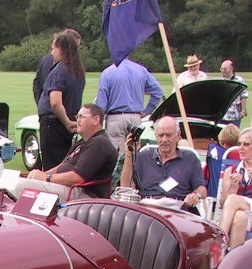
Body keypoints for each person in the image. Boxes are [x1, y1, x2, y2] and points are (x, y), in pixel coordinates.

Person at [23, 104, 116, 200]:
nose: (78, 121)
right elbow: (62, 166)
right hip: (68, 188)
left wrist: (46, 178)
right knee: (18, 181)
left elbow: (78, 177)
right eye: (77, 117)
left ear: (96, 119)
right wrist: (39, 176)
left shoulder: (99, 143)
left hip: (82, 193)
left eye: (82, 117)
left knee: (22, 186)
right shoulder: (84, 141)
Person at [120, 116, 207, 210]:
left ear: (178, 135)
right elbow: (126, 187)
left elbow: (202, 189)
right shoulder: (143, 156)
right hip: (148, 208)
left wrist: (195, 195)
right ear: (156, 136)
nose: (164, 140)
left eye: (168, 135)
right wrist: (129, 153)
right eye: (161, 135)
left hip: (177, 209)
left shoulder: (190, 158)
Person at [94, 57, 163, 156]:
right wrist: (147, 110)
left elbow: (102, 104)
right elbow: (158, 91)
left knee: (117, 157)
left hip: (115, 119)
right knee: (133, 155)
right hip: (135, 118)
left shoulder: (108, 72)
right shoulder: (141, 70)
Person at [37, 30, 85, 171]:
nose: (52, 53)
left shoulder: (59, 70)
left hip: (54, 124)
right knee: (64, 162)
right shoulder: (78, 70)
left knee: (52, 166)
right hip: (67, 120)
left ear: (61, 49)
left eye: (53, 49)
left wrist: (67, 122)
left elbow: (56, 102)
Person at [219, 59, 247, 126]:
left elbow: (244, 96)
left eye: (225, 69)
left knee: (234, 135)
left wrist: (243, 110)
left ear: (231, 68)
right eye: (221, 69)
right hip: (222, 116)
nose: (223, 71)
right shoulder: (219, 81)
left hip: (235, 116)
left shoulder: (239, 81)